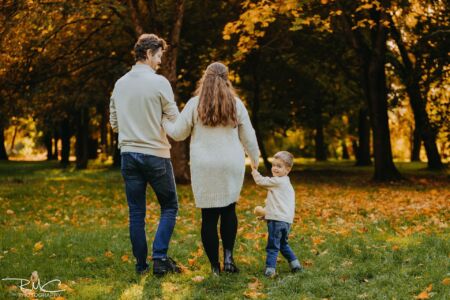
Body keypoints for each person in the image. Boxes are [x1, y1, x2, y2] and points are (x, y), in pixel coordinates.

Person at [162, 62, 260, 275]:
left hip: (205, 166)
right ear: (227, 79)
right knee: (229, 210)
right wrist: (255, 158)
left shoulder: (194, 104)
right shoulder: (236, 104)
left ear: (204, 79)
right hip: (231, 163)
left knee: (209, 216)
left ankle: (215, 268)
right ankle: (229, 258)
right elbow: (249, 135)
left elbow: (178, 133)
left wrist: (164, 121)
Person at [109, 33, 181, 276]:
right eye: (158, 56)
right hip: (155, 154)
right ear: (149, 54)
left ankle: (141, 265)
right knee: (169, 206)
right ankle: (160, 257)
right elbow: (174, 118)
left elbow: (115, 124)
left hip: (128, 155)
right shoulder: (159, 82)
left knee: (136, 212)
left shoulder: (119, 84)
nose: (160, 61)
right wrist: (158, 119)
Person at [251, 151, 303, 277]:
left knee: (272, 246)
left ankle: (270, 270)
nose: (275, 168)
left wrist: (254, 170)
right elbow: (280, 205)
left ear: (288, 170)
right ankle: (295, 264)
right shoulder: (287, 183)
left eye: (279, 166)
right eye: (274, 165)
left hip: (277, 221)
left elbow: (261, 181)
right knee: (283, 244)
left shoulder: (278, 181)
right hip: (286, 221)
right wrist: (266, 216)